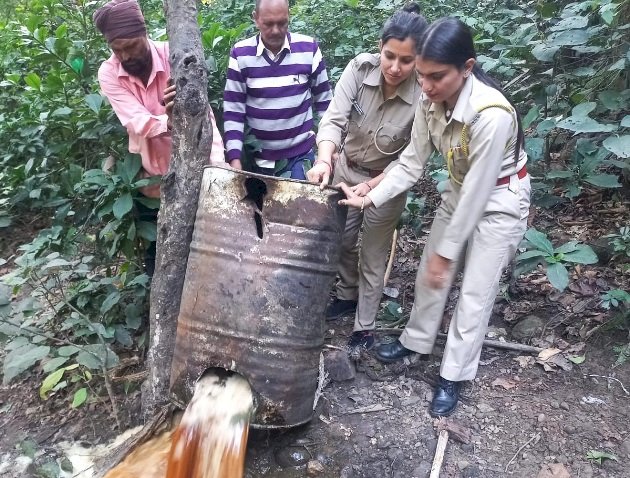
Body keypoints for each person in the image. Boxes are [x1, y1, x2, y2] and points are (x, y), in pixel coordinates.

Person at [337, 17, 531, 417]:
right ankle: (415, 342)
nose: (425, 86)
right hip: (460, 190)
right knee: (430, 273)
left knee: (474, 293)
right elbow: (411, 163)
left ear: (468, 68)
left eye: (436, 77)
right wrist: (371, 195)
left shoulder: (491, 115)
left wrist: (448, 253)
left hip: (499, 199)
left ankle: (453, 375)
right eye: (421, 76)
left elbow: (479, 194)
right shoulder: (430, 101)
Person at [307, 4, 427, 351]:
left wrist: (373, 185)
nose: (395, 67)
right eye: (389, 56)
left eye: (406, 60)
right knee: (341, 241)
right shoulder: (360, 69)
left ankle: (365, 326)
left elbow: (412, 156)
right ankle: (346, 294)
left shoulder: (423, 92)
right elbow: (333, 119)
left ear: (418, 59)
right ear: (380, 47)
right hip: (344, 168)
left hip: (387, 181)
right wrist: (324, 160)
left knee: (373, 254)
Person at [93, 0, 225, 274]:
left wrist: (218, 167)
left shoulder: (174, 55)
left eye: (132, 46)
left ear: (145, 34)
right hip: (153, 181)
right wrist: (170, 120)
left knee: (209, 250)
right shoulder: (109, 72)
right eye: (118, 50)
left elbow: (203, 115)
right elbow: (135, 121)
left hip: (199, 173)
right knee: (161, 259)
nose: (126, 56)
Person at [223, 0, 333, 179]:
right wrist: (235, 160)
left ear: (289, 17)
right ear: (255, 19)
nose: (275, 30)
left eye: (282, 23)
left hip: (300, 157)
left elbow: (325, 104)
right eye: (268, 24)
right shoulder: (240, 54)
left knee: (301, 206)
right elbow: (234, 110)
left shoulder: (308, 49)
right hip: (256, 160)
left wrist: (326, 152)